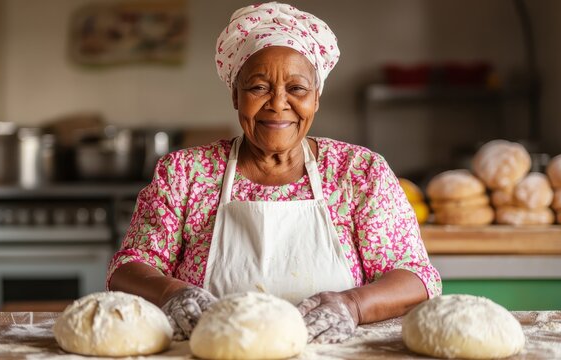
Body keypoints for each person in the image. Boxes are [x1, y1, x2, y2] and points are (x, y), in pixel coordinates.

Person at [108, 2, 441, 344]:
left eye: (297, 89)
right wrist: (171, 293)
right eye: (258, 87)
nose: (278, 103)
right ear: (235, 95)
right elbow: (129, 266)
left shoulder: (358, 173)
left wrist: (352, 305)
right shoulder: (185, 173)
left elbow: (416, 277)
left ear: (316, 98)